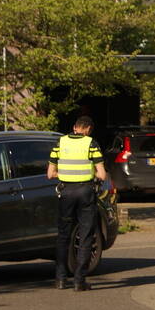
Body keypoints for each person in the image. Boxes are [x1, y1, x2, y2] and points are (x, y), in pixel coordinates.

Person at [47, 115, 106, 291]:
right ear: (88, 129)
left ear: (75, 127)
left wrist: (66, 175)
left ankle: (60, 279)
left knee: (63, 235)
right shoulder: (91, 143)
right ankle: (79, 281)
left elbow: (50, 174)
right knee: (86, 235)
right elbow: (102, 175)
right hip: (86, 192)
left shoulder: (60, 143)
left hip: (66, 192)